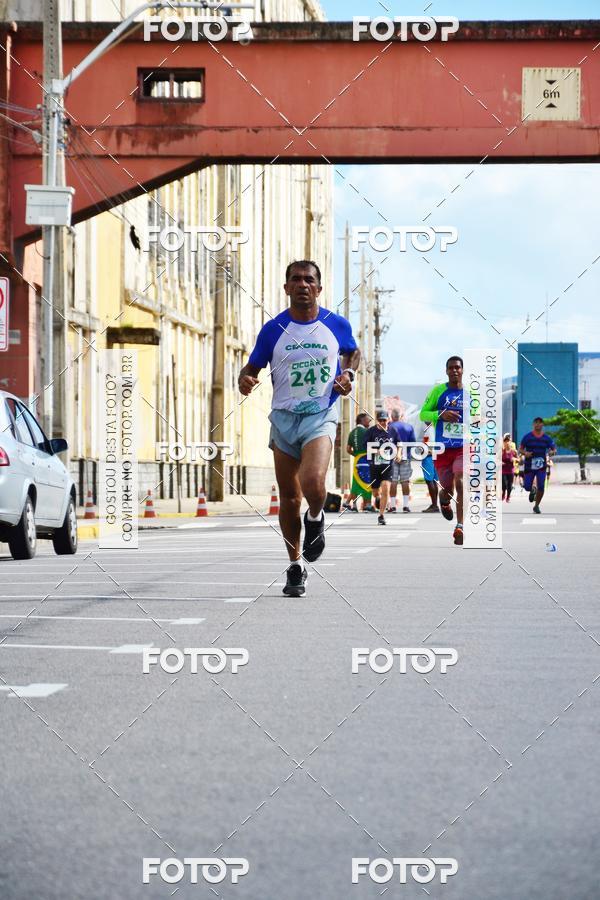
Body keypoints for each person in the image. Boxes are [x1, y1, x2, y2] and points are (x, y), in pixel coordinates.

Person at [238, 260, 360, 596]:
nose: (303, 285)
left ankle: (317, 516)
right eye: (296, 280)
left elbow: (352, 353)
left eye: (309, 280)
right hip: (283, 419)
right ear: (287, 288)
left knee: (312, 482)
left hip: (320, 414)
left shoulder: (335, 324)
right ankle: (295, 566)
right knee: (289, 499)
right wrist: (244, 380)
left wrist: (348, 376)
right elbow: (251, 366)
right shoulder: (274, 329)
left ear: (319, 289)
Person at [420, 356, 464, 545]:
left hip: (463, 448)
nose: (454, 370)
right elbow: (423, 414)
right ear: (446, 371)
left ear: (462, 370)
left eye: (458, 367)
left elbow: (479, 419)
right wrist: (440, 414)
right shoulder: (439, 391)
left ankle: (460, 526)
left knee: (461, 480)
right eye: (451, 368)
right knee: (448, 489)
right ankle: (443, 500)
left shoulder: (472, 393)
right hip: (443, 449)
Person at [364, 409, 397, 526]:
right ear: (377, 421)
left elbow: (399, 443)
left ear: (388, 420)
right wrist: (376, 450)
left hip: (388, 465)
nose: (383, 422)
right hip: (375, 465)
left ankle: (381, 515)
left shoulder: (393, 430)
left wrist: (399, 453)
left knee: (386, 487)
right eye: (381, 420)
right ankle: (377, 498)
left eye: (385, 420)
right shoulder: (370, 432)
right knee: (375, 491)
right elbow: (365, 447)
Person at [519, 417, 556, 514]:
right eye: (536, 422)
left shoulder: (546, 438)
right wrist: (525, 453)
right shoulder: (527, 437)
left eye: (540, 423)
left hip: (541, 467)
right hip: (529, 466)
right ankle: (532, 489)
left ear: (542, 425)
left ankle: (536, 506)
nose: (538, 424)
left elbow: (553, 449)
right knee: (527, 487)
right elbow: (520, 449)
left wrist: (552, 452)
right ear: (533, 424)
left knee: (541, 486)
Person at [388, 408, 415, 513]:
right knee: (405, 481)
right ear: (401, 415)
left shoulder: (389, 427)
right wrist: (406, 453)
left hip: (391, 456)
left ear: (391, 416)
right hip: (405, 457)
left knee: (393, 481)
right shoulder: (408, 427)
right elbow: (412, 443)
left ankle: (393, 506)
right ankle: (406, 506)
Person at [344, 412, 372, 511]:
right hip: (366, 459)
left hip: (357, 460)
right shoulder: (367, 432)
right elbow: (371, 446)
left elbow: (348, 449)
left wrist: (356, 454)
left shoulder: (352, 432)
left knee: (356, 482)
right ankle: (368, 505)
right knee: (367, 481)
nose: (369, 421)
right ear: (362, 420)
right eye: (368, 420)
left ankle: (349, 503)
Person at [420, 422, 439, 512]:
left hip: (429, 457)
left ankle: (434, 505)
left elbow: (428, 445)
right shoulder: (435, 428)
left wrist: (422, 450)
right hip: (436, 456)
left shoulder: (429, 430)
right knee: (434, 480)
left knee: (429, 480)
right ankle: (435, 504)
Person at [502, 433, 518, 502]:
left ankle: (508, 497)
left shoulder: (514, 451)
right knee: (504, 484)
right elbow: (496, 459)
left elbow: (518, 459)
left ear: (510, 442)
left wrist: (515, 459)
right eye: (505, 441)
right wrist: (500, 462)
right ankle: (503, 493)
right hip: (503, 471)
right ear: (504, 443)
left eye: (508, 441)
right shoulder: (502, 451)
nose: (507, 443)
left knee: (509, 485)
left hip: (511, 470)